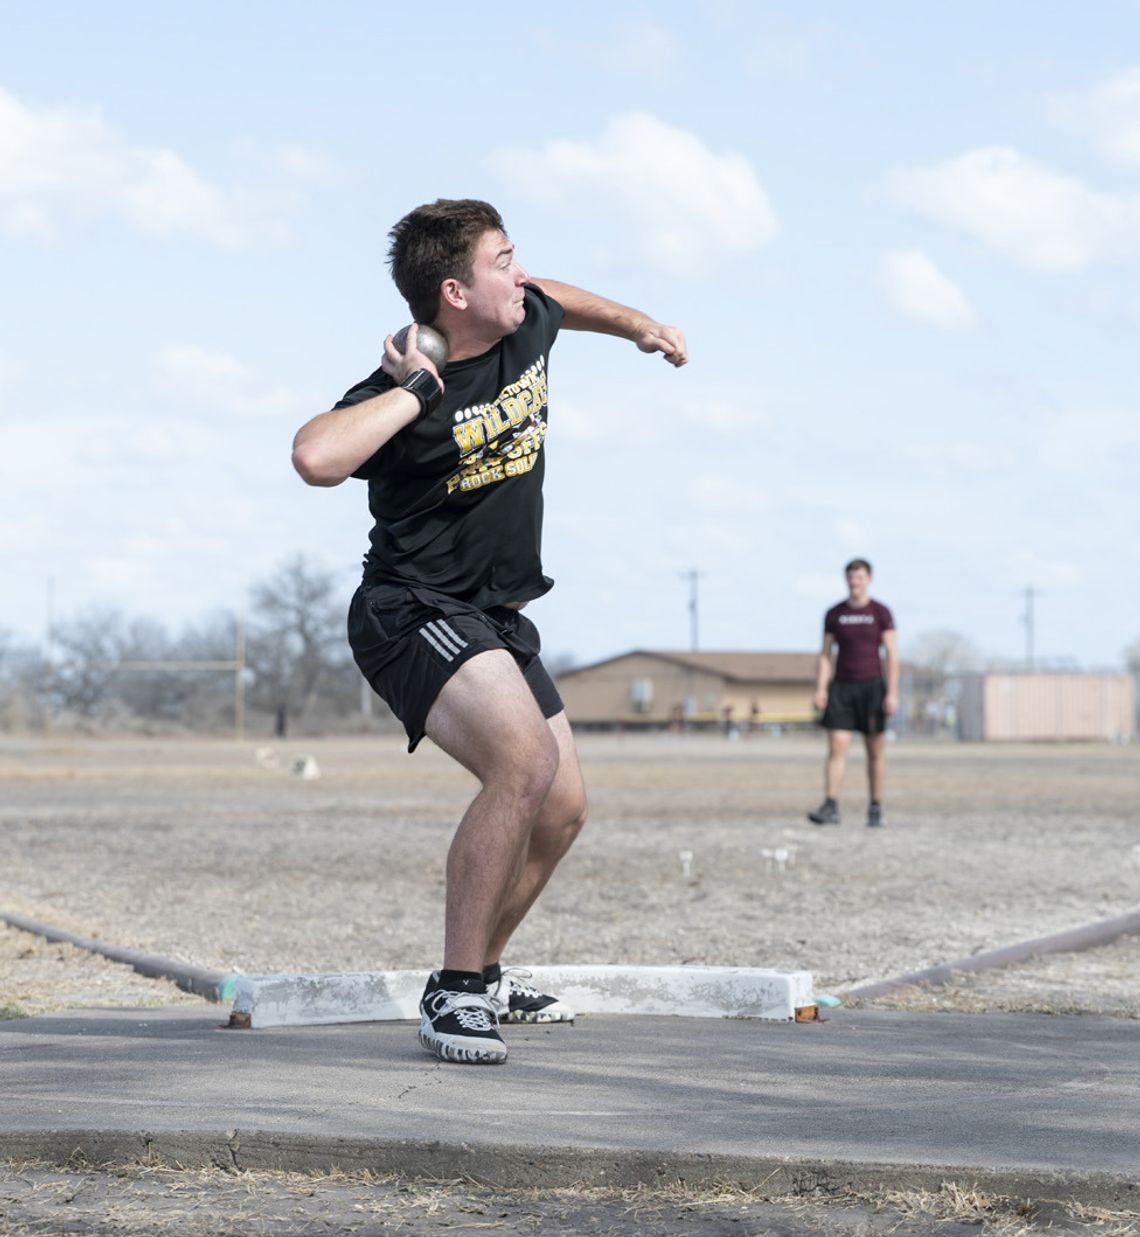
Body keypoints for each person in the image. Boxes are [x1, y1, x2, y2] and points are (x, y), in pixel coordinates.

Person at [291, 199, 687, 1064]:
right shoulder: (397, 391)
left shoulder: (522, 322)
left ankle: (488, 969)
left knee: (563, 807)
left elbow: (554, 295)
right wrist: (412, 393)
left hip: (495, 616)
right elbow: (315, 457)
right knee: (523, 763)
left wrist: (638, 326)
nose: (522, 274)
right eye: (501, 261)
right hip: (409, 611)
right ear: (453, 292)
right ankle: (455, 991)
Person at [806, 559, 898, 828]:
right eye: (850, 577)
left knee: (875, 751)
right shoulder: (834, 614)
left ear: (868, 579)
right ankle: (831, 805)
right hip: (842, 688)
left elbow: (892, 655)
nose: (854, 582)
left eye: (859, 577)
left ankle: (875, 807)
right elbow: (825, 655)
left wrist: (891, 692)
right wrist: (821, 688)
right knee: (836, 746)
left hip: (872, 688)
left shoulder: (880, 612)